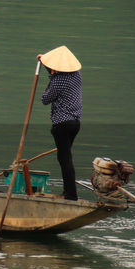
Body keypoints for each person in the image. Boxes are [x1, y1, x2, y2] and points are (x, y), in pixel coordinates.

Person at [37, 45, 82, 200]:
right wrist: (44, 62)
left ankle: (70, 194)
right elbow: (55, 72)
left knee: (64, 159)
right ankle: (69, 191)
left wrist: (46, 68)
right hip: (75, 123)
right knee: (66, 157)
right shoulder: (77, 76)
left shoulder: (57, 82)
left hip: (62, 124)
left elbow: (45, 99)